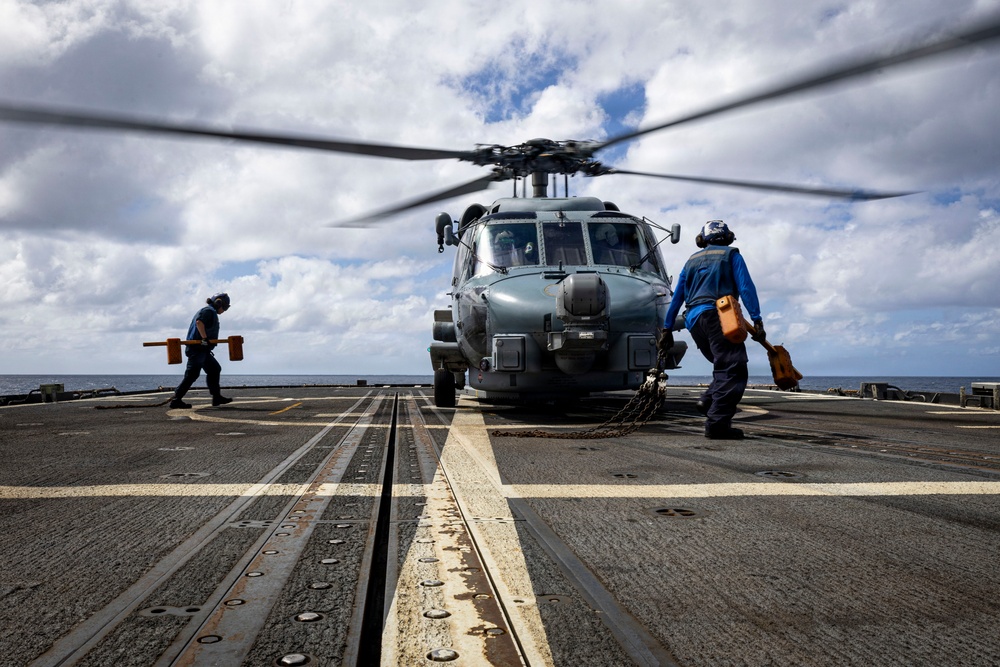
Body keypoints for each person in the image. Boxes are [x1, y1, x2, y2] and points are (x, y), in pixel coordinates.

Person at [659, 221, 765, 440]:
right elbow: (746, 288)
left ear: (702, 239)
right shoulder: (731, 255)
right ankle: (717, 423)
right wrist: (757, 320)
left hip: (695, 321)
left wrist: (667, 328)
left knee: (723, 366)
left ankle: (707, 400)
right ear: (727, 237)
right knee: (734, 369)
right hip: (720, 316)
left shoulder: (690, 261)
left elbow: (677, 297)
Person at [169, 293, 234, 409]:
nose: (224, 310)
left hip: (203, 350)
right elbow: (199, 322)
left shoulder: (211, 312)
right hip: (197, 349)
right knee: (192, 374)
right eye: (225, 307)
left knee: (214, 369)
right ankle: (176, 399)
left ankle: (216, 397)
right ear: (219, 303)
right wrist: (204, 338)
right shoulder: (208, 311)